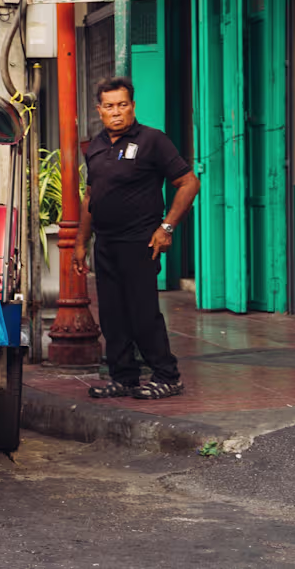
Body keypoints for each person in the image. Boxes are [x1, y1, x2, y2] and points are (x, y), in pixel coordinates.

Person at [72, 77, 200, 401]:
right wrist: (80, 242)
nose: (117, 112)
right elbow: (91, 197)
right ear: (99, 110)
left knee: (142, 313)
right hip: (106, 243)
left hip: (141, 241)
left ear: (133, 106)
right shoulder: (97, 146)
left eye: (123, 105)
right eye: (110, 106)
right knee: (112, 315)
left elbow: (189, 183)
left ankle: (167, 376)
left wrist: (166, 228)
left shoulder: (152, 140)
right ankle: (123, 377)